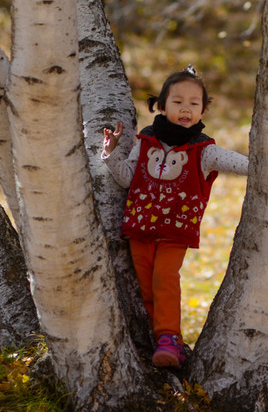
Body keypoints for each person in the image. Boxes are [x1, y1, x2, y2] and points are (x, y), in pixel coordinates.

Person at [102, 67, 248, 369]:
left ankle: (169, 337)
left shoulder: (202, 150)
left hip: (175, 230)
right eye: (178, 101)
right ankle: (166, 343)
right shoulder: (145, 142)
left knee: (165, 278)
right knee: (145, 285)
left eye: (194, 103)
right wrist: (112, 153)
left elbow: (234, 161)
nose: (186, 108)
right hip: (139, 227)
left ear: (203, 110)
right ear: (162, 106)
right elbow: (128, 178)